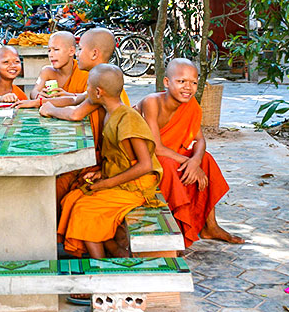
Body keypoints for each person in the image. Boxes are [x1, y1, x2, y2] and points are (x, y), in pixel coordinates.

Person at [57, 64, 163, 306]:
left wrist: (106, 184)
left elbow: (144, 165)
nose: (86, 91)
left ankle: (101, 276)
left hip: (137, 187)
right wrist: (100, 173)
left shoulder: (128, 119)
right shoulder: (111, 113)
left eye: (88, 87)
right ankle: (112, 254)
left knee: (85, 210)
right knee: (72, 198)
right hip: (119, 180)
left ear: (97, 92)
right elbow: (120, 158)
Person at [135, 58, 244, 247]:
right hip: (142, 156)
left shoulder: (191, 104)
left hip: (168, 152)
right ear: (167, 82)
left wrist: (195, 161)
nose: (188, 87)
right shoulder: (152, 102)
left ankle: (211, 226)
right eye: (181, 81)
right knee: (168, 164)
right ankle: (177, 229)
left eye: (194, 82)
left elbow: (200, 139)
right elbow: (156, 148)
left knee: (206, 159)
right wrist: (191, 163)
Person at [15, 29, 130, 206]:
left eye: (80, 49)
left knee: (59, 186)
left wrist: (50, 110)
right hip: (103, 153)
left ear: (94, 53)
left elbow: (76, 112)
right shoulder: (101, 76)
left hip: (114, 161)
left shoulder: (103, 83)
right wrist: (39, 102)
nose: (77, 53)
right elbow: (76, 98)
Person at [29, 31, 89, 100]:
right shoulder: (47, 71)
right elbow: (33, 92)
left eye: (56, 49)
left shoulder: (85, 72)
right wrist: (38, 96)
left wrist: (68, 96)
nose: (51, 55)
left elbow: (91, 98)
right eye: (49, 50)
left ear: (71, 51)